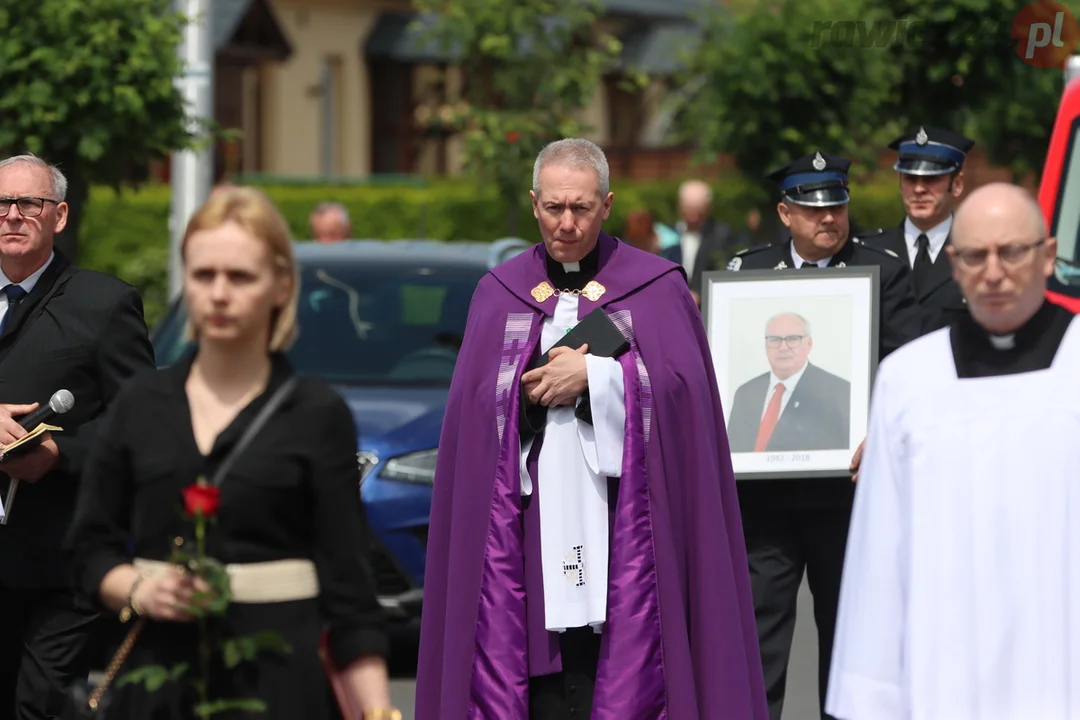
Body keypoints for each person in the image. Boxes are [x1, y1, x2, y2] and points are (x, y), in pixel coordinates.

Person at [416, 138, 768, 720]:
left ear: (607, 205)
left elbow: (686, 400)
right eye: (554, 208)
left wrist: (601, 377)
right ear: (534, 204)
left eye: (581, 208)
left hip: (626, 524)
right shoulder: (497, 292)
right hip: (528, 526)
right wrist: (523, 395)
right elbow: (474, 416)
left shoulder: (656, 286)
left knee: (618, 656)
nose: (567, 223)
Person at [64, 187, 398, 719]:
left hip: (280, 685)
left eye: (240, 277)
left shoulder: (316, 413)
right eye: (203, 276)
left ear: (280, 286)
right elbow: (88, 549)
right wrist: (139, 590)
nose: (219, 293)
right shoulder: (140, 404)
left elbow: (349, 589)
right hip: (157, 684)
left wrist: (380, 709)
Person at [826, 183, 1077, 719]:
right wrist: (870, 699)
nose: (993, 272)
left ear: (1048, 255)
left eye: (1011, 252)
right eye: (974, 256)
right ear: (955, 265)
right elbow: (879, 555)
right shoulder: (909, 380)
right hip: (946, 670)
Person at [725, 150, 922, 720]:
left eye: (837, 206)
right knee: (760, 640)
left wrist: (879, 434)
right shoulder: (749, 273)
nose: (829, 219)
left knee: (847, 638)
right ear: (786, 214)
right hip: (766, 497)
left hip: (848, 492)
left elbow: (905, 368)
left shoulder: (880, 270)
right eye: (813, 211)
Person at [0, 153, 156, 719]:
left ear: (59, 216)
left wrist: (59, 452)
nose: (13, 215)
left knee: (38, 706)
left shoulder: (104, 304)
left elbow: (141, 421)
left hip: (58, 563)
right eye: (1, 203)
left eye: (29, 204)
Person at [861, 127, 975, 332]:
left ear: (957, 184)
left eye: (931, 179)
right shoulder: (868, 252)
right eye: (910, 179)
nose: (919, 189)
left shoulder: (976, 252)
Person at [727, 312, 850, 453]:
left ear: (809, 344)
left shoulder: (838, 391)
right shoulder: (746, 392)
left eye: (793, 339)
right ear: (765, 345)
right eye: (774, 339)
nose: (783, 347)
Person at [660, 179, 738, 307]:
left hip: (705, 307)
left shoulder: (721, 235)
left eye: (699, 212)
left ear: (709, 209)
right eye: (689, 210)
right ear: (679, 206)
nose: (693, 217)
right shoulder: (667, 234)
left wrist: (700, 293)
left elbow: (723, 271)